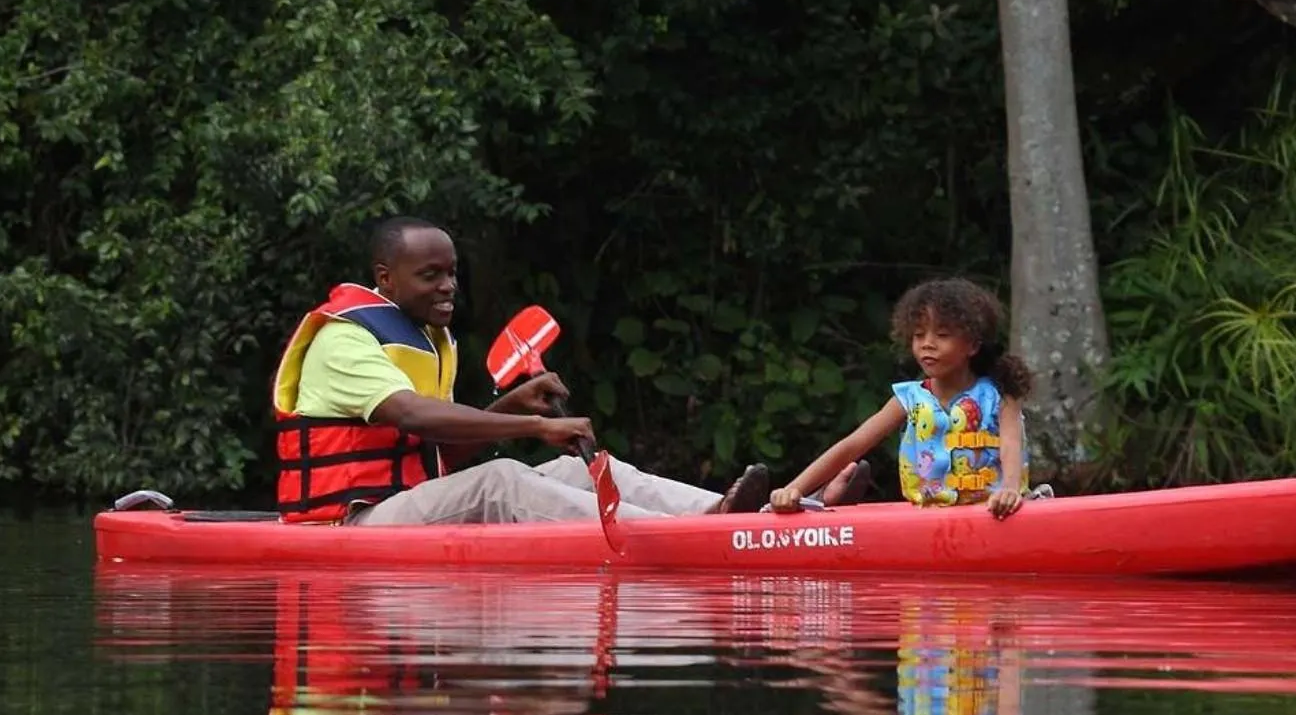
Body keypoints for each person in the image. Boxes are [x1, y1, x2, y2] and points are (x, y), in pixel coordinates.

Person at [274, 216, 728, 524]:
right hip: (350, 522)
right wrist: (530, 424)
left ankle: (725, 515)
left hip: (405, 504)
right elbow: (411, 415)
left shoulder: (427, 339)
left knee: (574, 471)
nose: (448, 286)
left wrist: (509, 406)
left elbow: (437, 455)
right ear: (386, 277)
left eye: (452, 273)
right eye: (430, 275)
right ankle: (670, 536)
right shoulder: (343, 338)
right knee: (501, 479)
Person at [734, 278, 1034, 519]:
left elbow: (1010, 444)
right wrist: (794, 488)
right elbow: (852, 445)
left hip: (996, 511)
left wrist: (1009, 490)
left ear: (972, 345)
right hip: (930, 518)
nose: (927, 345)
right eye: (918, 335)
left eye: (942, 335)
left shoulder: (1000, 392)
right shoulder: (909, 398)